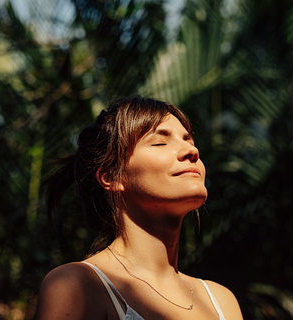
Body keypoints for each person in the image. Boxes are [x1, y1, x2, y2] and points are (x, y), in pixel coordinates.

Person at [35, 96, 243, 320]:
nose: (191, 151)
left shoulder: (221, 301)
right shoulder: (78, 285)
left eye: (190, 141)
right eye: (160, 142)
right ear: (111, 177)